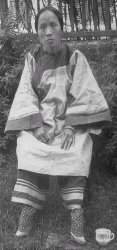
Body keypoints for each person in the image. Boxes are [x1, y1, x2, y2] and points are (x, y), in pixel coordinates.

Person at [5, 6, 111, 244]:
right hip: (41, 125)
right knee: (27, 146)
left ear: (62, 29)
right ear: (38, 33)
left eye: (53, 25)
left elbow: (84, 93)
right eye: (42, 27)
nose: (49, 32)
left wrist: (72, 127)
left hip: (69, 122)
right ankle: (29, 209)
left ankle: (76, 213)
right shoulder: (32, 60)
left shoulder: (75, 57)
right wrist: (34, 127)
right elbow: (26, 96)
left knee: (79, 146)